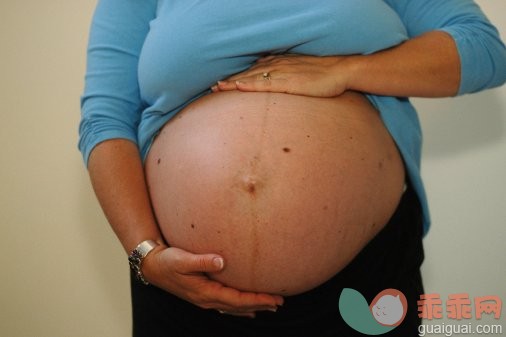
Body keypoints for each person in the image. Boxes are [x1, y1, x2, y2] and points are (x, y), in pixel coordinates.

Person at [79, 0, 506, 336]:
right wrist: (146, 255)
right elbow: (105, 120)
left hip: (363, 274)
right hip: (183, 285)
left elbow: (484, 49)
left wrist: (344, 71)